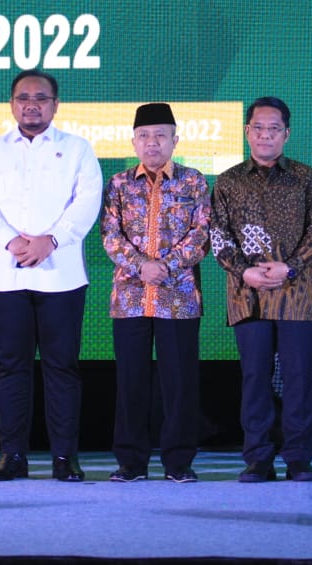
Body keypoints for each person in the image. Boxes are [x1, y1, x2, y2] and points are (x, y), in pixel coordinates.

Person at [0, 69, 102, 482]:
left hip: (60, 277)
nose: (31, 105)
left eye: (41, 98)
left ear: (55, 105)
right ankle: (13, 456)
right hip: (6, 278)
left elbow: (87, 202)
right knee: (11, 368)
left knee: (62, 367)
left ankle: (64, 457)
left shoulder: (78, 149)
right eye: (23, 98)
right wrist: (11, 240)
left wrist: (50, 241)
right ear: (12, 104)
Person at [211, 96, 312, 483]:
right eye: (258, 128)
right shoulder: (228, 181)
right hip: (249, 295)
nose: (265, 135)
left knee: (298, 378)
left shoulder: (306, 177)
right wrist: (244, 272)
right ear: (247, 132)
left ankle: (298, 458)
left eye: (273, 129)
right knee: (255, 378)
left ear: (286, 134)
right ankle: (258, 458)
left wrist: (289, 268)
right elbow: (218, 235)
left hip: (298, 292)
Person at [101, 103, 210, 483]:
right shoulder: (118, 183)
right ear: (133, 141)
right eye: (145, 136)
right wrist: (141, 266)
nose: (152, 143)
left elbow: (201, 235)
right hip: (130, 298)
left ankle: (178, 462)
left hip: (178, 298)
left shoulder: (194, 181)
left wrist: (167, 266)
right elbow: (110, 236)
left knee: (179, 384)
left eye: (161, 135)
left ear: (175, 140)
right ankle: (131, 462)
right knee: (131, 382)